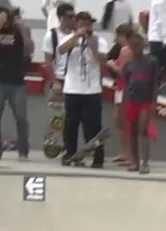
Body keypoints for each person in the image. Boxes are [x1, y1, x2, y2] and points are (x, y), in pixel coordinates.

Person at [57, 11, 109, 168]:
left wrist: (90, 41)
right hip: (72, 89)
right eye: (82, 23)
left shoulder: (100, 41)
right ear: (76, 24)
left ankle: (97, 157)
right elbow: (61, 50)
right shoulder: (68, 38)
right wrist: (76, 36)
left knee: (93, 127)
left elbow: (103, 60)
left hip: (92, 90)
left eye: (89, 23)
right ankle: (70, 154)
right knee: (71, 125)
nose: (86, 26)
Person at [0, 4, 33, 160]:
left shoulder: (20, 30)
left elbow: (29, 49)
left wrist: (21, 28)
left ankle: (23, 151)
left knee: (21, 118)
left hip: (17, 82)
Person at [122, 33, 159, 174]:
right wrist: (125, 103)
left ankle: (145, 163)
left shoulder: (151, 61)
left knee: (143, 130)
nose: (135, 48)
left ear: (142, 46)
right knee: (132, 131)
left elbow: (155, 83)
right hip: (132, 101)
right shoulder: (129, 65)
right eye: (132, 46)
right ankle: (135, 162)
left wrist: (155, 102)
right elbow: (126, 85)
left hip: (146, 101)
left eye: (137, 45)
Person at [107, 23, 135, 166]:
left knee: (124, 121)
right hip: (123, 87)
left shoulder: (125, 50)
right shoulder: (133, 49)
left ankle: (129, 154)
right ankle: (125, 152)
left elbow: (123, 72)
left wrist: (112, 65)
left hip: (123, 88)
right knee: (121, 121)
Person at [146, 0, 166, 81]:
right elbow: (161, 22)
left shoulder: (155, 2)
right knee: (160, 66)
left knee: (155, 66)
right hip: (159, 38)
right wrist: (165, 39)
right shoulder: (160, 2)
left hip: (154, 37)